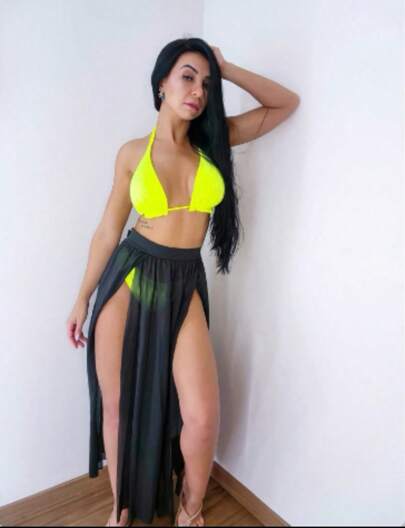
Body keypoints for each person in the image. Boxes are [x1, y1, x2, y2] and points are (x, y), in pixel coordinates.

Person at [66, 37, 300, 527]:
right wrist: (82, 297)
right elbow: (108, 231)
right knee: (117, 406)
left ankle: (190, 510)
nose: (197, 91)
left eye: (205, 84)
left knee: (202, 415)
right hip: (132, 275)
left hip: (183, 278)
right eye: (188, 77)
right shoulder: (133, 153)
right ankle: (119, 509)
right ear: (161, 85)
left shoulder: (215, 142)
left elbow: (285, 104)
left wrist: (225, 68)